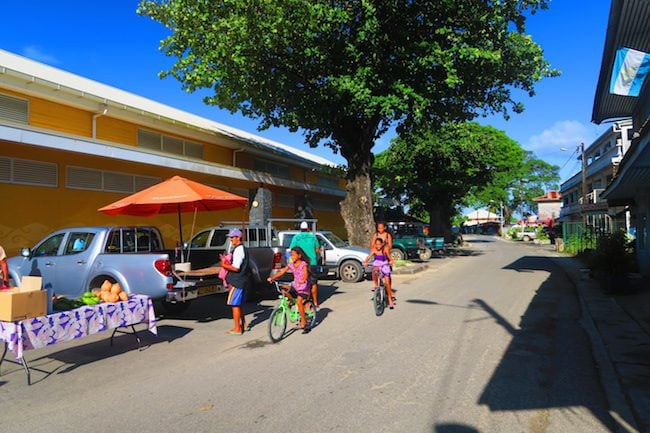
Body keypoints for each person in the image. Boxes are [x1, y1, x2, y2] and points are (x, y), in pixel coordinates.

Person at [267, 246, 311, 331]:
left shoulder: (303, 264)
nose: (292, 257)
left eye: (294, 255)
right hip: (295, 285)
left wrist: (303, 279)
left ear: (299, 256)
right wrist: (272, 278)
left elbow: (305, 273)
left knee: (299, 302)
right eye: (291, 255)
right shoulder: (291, 264)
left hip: (303, 287)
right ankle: (291, 301)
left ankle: (304, 322)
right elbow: (282, 272)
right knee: (283, 289)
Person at [220, 228, 249, 335]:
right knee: (239, 304)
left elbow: (236, 267)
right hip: (242, 280)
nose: (231, 240)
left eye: (232, 237)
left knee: (235, 305)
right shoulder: (241, 249)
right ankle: (243, 325)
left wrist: (224, 265)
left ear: (238, 238)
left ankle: (237, 328)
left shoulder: (239, 250)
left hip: (237, 281)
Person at [289, 221, 321, 306]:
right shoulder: (313, 237)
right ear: (307, 229)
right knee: (313, 283)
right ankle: (315, 302)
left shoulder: (296, 237)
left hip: (302, 264)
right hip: (312, 262)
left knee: (303, 282)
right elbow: (317, 250)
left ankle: (304, 301)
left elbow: (292, 249)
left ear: (300, 229)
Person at [363, 237, 395, 309]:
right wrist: (365, 262)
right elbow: (368, 257)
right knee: (374, 270)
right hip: (377, 264)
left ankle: (390, 299)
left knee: (387, 283)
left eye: (379, 244)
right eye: (376, 244)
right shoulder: (374, 250)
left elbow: (390, 258)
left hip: (384, 265)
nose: (378, 246)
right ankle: (376, 285)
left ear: (382, 244)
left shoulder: (385, 249)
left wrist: (391, 261)